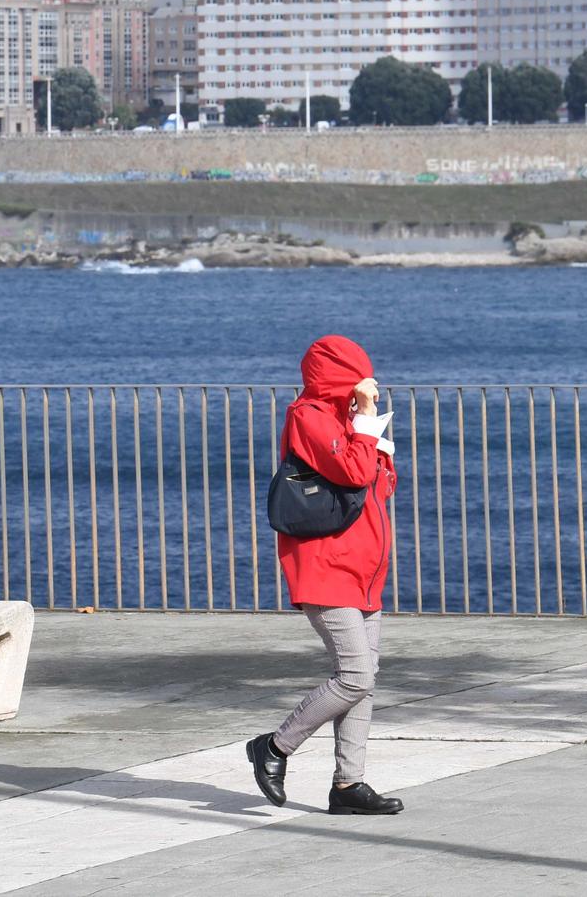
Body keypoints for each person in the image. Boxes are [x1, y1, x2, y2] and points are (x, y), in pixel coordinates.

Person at [245, 334, 402, 815]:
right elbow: (354, 472)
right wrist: (365, 423)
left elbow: (381, 482)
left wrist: (371, 435)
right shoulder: (309, 418)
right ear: (340, 376)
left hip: (361, 568)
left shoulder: (347, 421)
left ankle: (347, 785)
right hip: (324, 566)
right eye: (361, 377)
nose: (369, 385)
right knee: (355, 676)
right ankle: (273, 747)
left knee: (364, 677)